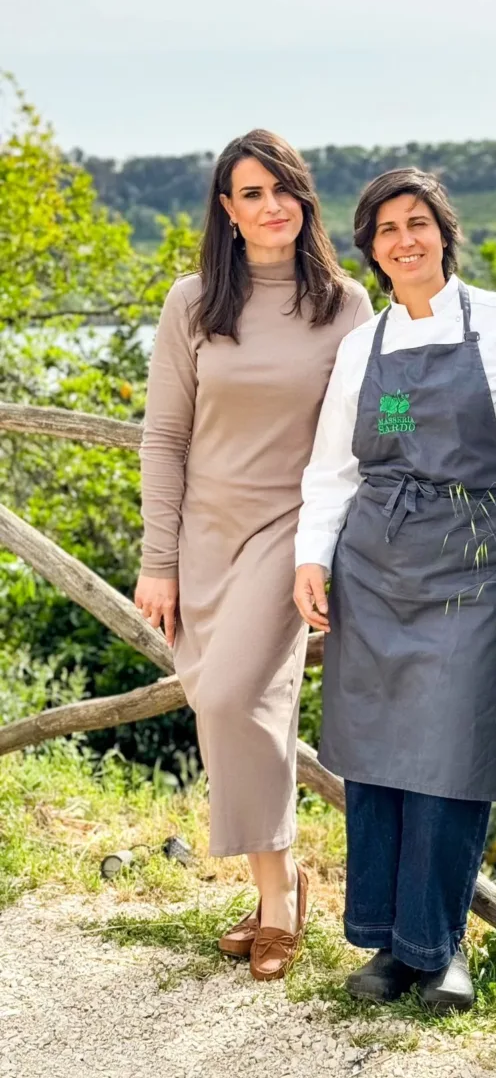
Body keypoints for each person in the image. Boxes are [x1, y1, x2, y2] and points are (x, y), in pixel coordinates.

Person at [293, 168, 496, 1011]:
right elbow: (335, 468)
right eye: (385, 231)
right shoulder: (364, 346)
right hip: (378, 563)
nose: (405, 241)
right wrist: (311, 560)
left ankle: (442, 950)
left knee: (452, 756)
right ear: (368, 250)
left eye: (418, 224)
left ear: (444, 231)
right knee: (376, 755)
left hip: (478, 567)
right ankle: (389, 948)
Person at [135, 130, 373, 982]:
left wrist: (482, 441)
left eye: (284, 190)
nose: (271, 207)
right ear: (228, 213)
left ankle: (277, 900)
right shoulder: (193, 303)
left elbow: (388, 412)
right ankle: (284, 879)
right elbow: (164, 438)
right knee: (223, 706)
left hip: (291, 530)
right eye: (251, 194)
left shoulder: (344, 305)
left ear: (303, 201)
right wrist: (157, 558)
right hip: (201, 536)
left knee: (237, 694)